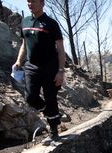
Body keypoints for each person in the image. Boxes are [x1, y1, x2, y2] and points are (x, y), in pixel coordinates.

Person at [13, 0, 66, 144]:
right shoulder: (25, 21)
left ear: (42, 3)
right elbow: (24, 45)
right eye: (28, 1)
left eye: (34, 1)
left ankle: (54, 131)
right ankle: (49, 111)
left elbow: (60, 49)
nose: (30, 4)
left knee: (50, 97)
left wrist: (61, 71)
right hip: (31, 66)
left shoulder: (51, 23)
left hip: (50, 67)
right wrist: (19, 61)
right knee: (30, 97)